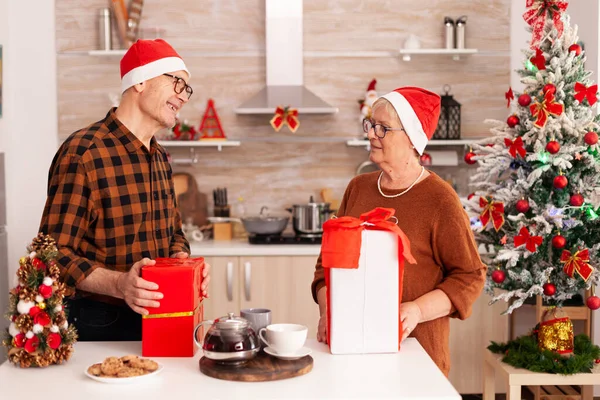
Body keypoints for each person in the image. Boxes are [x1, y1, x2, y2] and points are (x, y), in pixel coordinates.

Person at [39, 39, 211, 341]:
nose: (183, 97)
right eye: (177, 83)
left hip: (161, 314)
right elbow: (51, 254)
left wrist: (185, 267)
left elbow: (174, 235)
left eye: (187, 89)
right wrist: (120, 284)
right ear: (141, 80)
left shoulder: (158, 156)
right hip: (100, 322)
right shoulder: (85, 153)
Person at [311, 86, 486, 376]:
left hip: (416, 357)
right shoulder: (358, 188)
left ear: (411, 139)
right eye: (370, 125)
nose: (370, 134)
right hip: (349, 352)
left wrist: (417, 310)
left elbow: (470, 277)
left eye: (382, 129)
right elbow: (325, 266)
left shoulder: (440, 199)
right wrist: (327, 310)